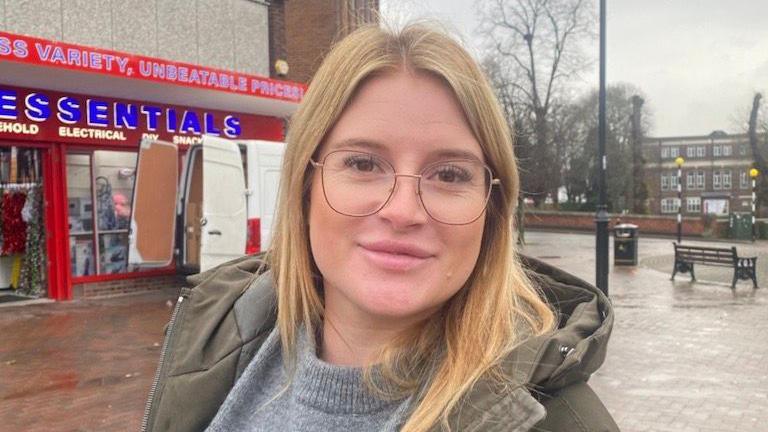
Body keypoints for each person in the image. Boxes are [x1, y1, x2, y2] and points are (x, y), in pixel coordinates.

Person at [141, 23, 618, 432]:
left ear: (492, 209)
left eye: (450, 175)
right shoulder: (217, 335)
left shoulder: (555, 419)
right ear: (304, 187)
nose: (404, 210)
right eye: (364, 163)